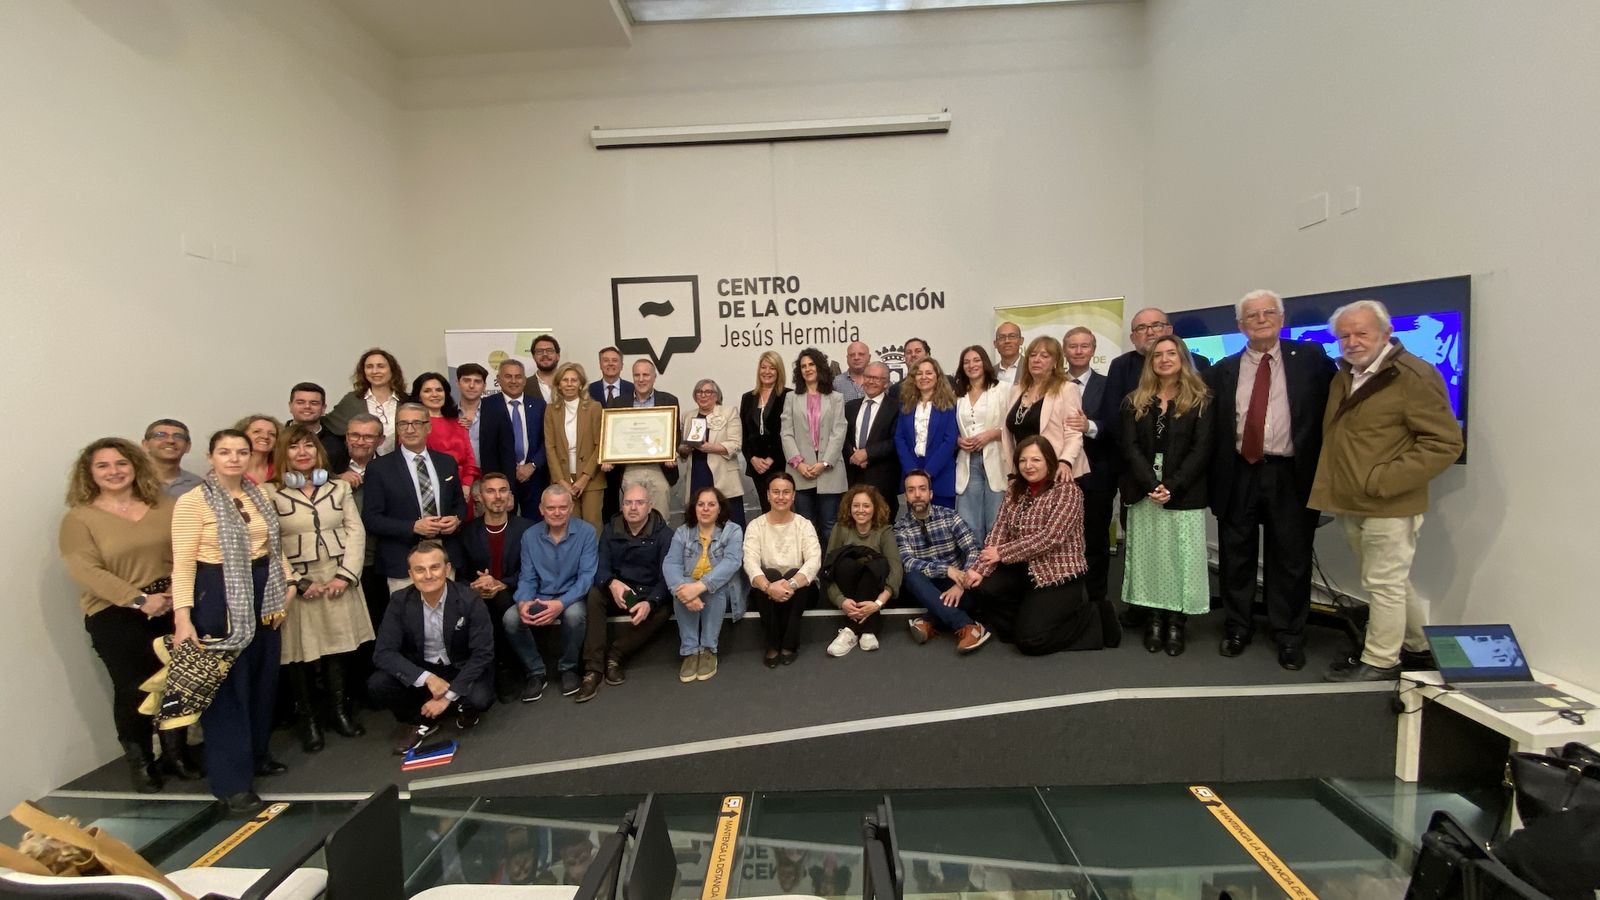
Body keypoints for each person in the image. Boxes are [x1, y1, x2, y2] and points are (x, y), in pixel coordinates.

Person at [1314, 299, 1463, 682]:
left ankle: (1381, 662)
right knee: (1386, 579)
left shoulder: (1413, 375)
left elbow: (1445, 443)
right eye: (1344, 335)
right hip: (1352, 500)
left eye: (1361, 333)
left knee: (1383, 582)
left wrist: (1384, 480)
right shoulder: (1345, 374)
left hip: (1389, 503)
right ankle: (1418, 648)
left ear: (1385, 332)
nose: (1352, 341)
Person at [1208, 290, 1335, 670]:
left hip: (1290, 473)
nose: (1261, 319)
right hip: (1238, 471)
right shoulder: (1222, 369)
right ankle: (1237, 626)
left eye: (1268, 313)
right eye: (1252, 315)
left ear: (1281, 318)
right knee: (1236, 554)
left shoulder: (1311, 360)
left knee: (1291, 557)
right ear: (1240, 326)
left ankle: (1289, 634)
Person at [170, 429, 295, 814]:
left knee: (261, 680)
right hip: (218, 595)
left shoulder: (257, 494)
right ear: (210, 457)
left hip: (263, 592)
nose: (234, 458)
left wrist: (288, 581)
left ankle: (257, 756)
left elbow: (272, 547)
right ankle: (231, 783)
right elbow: (183, 564)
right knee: (227, 691)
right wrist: (182, 618)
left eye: (241, 452)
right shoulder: (193, 502)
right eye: (225, 452)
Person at [60, 438, 195, 793]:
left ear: (135, 465)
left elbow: (188, 548)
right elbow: (85, 569)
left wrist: (174, 593)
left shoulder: (164, 505)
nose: (114, 471)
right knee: (134, 689)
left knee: (177, 683)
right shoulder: (80, 518)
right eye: (103, 466)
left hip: (173, 604)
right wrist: (139, 600)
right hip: (117, 614)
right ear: (89, 474)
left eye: (121, 463)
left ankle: (175, 753)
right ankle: (141, 762)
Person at [268, 424, 373, 752]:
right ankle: (309, 721)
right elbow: (269, 543)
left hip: (337, 577)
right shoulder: (268, 493)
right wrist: (295, 581)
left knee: (339, 649)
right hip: (296, 582)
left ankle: (339, 713)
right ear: (284, 453)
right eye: (295, 447)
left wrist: (346, 575)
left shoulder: (338, 488)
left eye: (309, 446)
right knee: (299, 655)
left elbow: (355, 530)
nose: (302, 453)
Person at [1118, 335, 1215, 657]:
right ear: (1150, 362)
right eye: (1157, 355)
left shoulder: (1201, 398)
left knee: (1181, 558)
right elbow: (1129, 447)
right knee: (1151, 559)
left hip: (1183, 490)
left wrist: (1171, 485)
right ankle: (1155, 618)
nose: (1164, 359)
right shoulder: (1136, 400)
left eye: (1171, 353)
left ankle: (1176, 622)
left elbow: (1202, 450)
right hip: (1145, 489)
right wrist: (1150, 484)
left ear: (1182, 358)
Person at [965, 436, 1103, 655]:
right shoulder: (1015, 490)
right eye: (1023, 460)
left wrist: (1001, 552)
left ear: (1049, 461)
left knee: (1031, 641)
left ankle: (1093, 620)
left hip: (1058, 573)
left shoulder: (1068, 492)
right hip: (1023, 567)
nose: (1028, 466)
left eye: (1036, 460)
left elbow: (1051, 537)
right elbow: (999, 529)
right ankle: (1026, 624)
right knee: (981, 588)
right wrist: (979, 569)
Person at [369, 541, 495, 754]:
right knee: (378, 684)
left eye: (434, 567)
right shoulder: (399, 601)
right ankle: (419, 720)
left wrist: (447, 697)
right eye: (420, 569)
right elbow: (383, 653)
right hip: (423, 669)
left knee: (480, 698)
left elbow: (483, 653)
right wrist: (427, 678)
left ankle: (457, 705)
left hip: (460, 666)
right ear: (411, 573)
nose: (428, 575)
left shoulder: (470, 599)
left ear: (447, 569)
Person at [362, 403, 467, 595]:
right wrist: (412, 527)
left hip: (443, 554)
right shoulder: (379, 468)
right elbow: (371, 519)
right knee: (408, 620)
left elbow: (459, 503)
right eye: (403, 424)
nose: (409, 429)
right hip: (402, 561)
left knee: (447, 617)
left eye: (416, 423)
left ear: (428, 427)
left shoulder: (446, 462)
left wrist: (456, 519)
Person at [579, 483, 673, 701]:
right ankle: (593, 668)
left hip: (646, 593)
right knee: (594, 595)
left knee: (664, 607)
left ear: (649, 506)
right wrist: (611, 583)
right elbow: (600, 567)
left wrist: (651, 602)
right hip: (619, 591)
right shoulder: (610, 529)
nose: (633, 508)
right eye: (628, 503)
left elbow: (666, 576)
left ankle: (615, 655)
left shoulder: (664, 534)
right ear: (621, 506)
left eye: (639, 503)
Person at [508, 485, 598, 699]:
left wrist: (561, 603)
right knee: (511, 619)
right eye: (551, 508)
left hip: (572, 595)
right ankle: (536, 672)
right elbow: (527, 577)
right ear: (541, 509)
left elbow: (587, 578)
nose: (557, 513)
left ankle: (569, 668)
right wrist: (523, 602)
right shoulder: (530, 536)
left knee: (574, 615)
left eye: (562, 507)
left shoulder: (587, 532)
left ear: (571, 508)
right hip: (541, 595)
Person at [1063, 326, 1121, 647]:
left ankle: (1096, 599)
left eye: (1085, 346)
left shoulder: (1107, 384)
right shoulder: (1055, 385)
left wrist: (1091, 426)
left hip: (1097, 473)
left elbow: (1115, 424)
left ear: (1093, 349)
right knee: (1064, 538)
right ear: (1065, 350)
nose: (1079, 351)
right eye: (1073, 346)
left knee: (1095, 537)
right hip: (1061, 476)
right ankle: (1069, 597)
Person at [459, 472, 535, 702]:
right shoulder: (467, 532)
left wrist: (501, 583)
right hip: (476, 593)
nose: (497, 496)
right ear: (480, 497)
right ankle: (489, 670)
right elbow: (460, 573)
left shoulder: (527, 529)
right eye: (491, 491)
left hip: (514, 591)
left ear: (510, 496)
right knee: (481, 603)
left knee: (500, 600)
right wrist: (475, 585)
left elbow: (532, 572)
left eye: (503, 490)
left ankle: (504, 669)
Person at [896, 470, 988, 653]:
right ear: (906, 496)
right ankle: (968, 625)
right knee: (912, 577)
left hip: (959, 582)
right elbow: (908, 562)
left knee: (975, 590)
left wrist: (961, 584)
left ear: (930, 493)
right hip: (927, 585)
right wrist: (945, 570)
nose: (917, 495)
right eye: (911, 490)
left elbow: (973, 549)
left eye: (922, 489)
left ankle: (929, 620)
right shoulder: (901, 527)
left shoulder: (949, 516)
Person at [664, 486, 746, 683]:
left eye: (711, 504)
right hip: (689, 584)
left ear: (720, 509)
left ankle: (709, 648)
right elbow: (671, 563)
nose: (705, 509)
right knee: (682, 589)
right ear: (694, 508)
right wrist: (680, 590)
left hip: (723, 588)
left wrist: (699, 587)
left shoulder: (732, 530)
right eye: (701, 504)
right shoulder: (682, 532)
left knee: (712, 589)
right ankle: (690, 651)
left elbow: (732, 563)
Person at [743, 473, 822, 668]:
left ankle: (788, 644)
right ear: (768, 495)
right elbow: (750, 562)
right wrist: (769, 587)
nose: (781, 497)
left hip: (801, 589)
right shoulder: (755, 526)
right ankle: (773, 643)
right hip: (766, 590)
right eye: (776, 492)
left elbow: (813, 561)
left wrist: (791, 584)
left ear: (794, 495)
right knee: (769, 574)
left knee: (794, 572)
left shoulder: (804, 525)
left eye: (786, 492)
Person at [822, 485, 902, 657]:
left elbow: (896, 568)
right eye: (856, 505)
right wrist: (840, 600)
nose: (860, 510)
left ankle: (852, 630)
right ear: (849, 508)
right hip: (846, 593)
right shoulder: (840, 528)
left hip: (875, 591)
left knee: (875, 564)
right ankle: (867, 629)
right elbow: (828, 570)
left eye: (866, 506)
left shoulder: (885, 531)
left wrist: (878, 604)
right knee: (843, 562)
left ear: (875, 508)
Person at [780, 347, 846, 546]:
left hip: (829, 471)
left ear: (820, 367)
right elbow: (786, 432)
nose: (807, 369)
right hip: (801, 472)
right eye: (803, 366)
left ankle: (830, 573)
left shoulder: (836, 398)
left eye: (811, 364)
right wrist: (798, 464)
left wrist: (824, 463)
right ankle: (809, 575)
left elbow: (839, 431)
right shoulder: (791, 398)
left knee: (829, 526)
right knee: (804, 527)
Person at [1001, 336, 1089, 483]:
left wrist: (1065, 461)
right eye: (1033, 355)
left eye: (1044, 356)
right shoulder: (1016, 390)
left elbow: (1073, 433)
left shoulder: (1067, 389)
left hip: (1056, 472)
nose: (1036, 360)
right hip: (1024, 473)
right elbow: (1009, 435)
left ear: (1055, 362)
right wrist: (1012, 472)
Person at [605, 359, 680, 519]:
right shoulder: (619, 403)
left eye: (646, 375)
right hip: (631, 469)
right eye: (637, 375)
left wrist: (672, 453)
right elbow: (614, 435)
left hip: (659, 468)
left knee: (660, 519)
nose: (641, 379)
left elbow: (675, 434)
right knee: (633, 517)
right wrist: (608, 456)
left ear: (654, 377)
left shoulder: (669, 400)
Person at [1104, 308, 1214, 411]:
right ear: (1133, 338)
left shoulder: (1199, 363)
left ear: (1169, 330)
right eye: (1141, 328)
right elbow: (1113, 414)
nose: (1150, 332)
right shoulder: (1121, 365)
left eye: (1156, 325)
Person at [953, 346, 1008, 546]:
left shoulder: (1003, 389)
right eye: (966, 362)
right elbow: (951, 427)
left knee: (996, 519)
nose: (971, 365)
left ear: (984, 362)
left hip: (996, 459)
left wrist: (992, 434)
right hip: (968, 461)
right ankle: (972, 567)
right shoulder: (957, 393)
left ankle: (994, 571)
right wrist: (958, 440)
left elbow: (1013, 426)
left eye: (976, 360)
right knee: (968, 522)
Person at [479, 358, 547, 518]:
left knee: (535, 525)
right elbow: (486, 446)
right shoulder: (486, 405)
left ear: (524, 380)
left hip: (534, 477)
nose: (514, 381)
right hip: (501, 479)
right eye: (508, 376)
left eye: (518, 376)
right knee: (504, 524)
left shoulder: (539, 405)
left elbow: (548, 440)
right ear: (498, 379)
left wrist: (533, 465)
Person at [545, 362, 606, 529]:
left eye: (574, 380)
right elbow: (550, 447)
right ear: (558, 384)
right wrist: (561, 481)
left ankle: (593, 557)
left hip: (591, 480)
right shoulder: (551, 410)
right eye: (565, 380)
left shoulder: (594, 408)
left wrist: (584, 478)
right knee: (568, 527)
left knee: (592, 527)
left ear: (581, 384)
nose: (569, 384)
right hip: (563, 479)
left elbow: (600, 445)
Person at [895, 357, 960, 511]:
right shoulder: (906, 405)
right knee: (916, 527)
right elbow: (900, 438)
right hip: (912, 472)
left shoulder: (949, 405)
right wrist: (913, 472)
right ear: (913, 378)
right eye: (919, 374)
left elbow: (949, 440)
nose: (924, 377)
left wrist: (929, 472)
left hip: (940, 474)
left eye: (929, 373)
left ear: (937, 376)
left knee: (942, 527)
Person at [412, 371, 481, 514]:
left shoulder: (458, 422)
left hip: (463, 489)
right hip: (432, 491)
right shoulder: (413, 427)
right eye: (427, 391)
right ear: (419, 396)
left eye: (439, 390)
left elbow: (470, 460)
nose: (435, 394)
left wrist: (467, 485)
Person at [679, 378, 745, 526]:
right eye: (699, 392)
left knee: (730, 524)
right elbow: (682, 450)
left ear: (716, 395)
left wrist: (711, 447)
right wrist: (684, 449)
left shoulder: (729, 412)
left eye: (708, 392)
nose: (703, 395)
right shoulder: (688, 416)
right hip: (697, 473)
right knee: (699, 524)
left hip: (723, 478)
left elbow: (736, 445)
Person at [843, 362, 901, 519]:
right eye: (868, 377)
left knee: (881, 526)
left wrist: (867, 454)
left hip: (883, 479)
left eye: (876, 378)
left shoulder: (897, 407)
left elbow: (896, 440)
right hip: (853, 477)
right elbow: (843, 437)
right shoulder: (850, 407)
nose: (871, 381)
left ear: (886, 383)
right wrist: (854, 455)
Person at [326, 347, 408, 456]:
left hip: (398, 465)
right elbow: (328, 425)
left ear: (392, 370)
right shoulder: (352, 400)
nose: (375, 371)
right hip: (361, 468)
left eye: (381, 366)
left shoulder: (406, 401)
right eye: (369, 367)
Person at [740, 351, 790, 514]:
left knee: (782, 508)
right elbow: (744, 435)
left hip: (780, 464)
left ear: (779, 371)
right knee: (766, 509)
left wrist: (771, 459)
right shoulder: (747, 398)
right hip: (757, 466)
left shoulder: (788, 396)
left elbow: (788, 432)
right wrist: (752, 458)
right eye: (763, 367)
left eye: (772, 368)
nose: (767, 372)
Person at [587, 347, 633, 522]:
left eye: (615, 360)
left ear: (621, 364)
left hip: (628, 454)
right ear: (600, 364)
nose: (610, 364)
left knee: (629, 500)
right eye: (606, 360)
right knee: (605, 504)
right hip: (597, 457)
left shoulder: (633, 388)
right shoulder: (588, 390)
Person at [287, 382, 350, 474]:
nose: (307, 406)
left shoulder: (339, 443)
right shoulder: (277, 438)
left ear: (323, 408)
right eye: (300, 402)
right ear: (290, 406)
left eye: (314, 403)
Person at [142, 420, 204, 497]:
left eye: (178, 437)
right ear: (145, 445)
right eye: (161, 435)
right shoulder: (132, 481)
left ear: (188, 446)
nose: (170, 441)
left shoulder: (199, 486)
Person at [454, 363, 489, 479]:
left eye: (477, 381)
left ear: (484, 386)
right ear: (458, 383)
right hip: (458, 477)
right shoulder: (449, 415)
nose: (472, 385)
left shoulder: (496, 414)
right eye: (466, 380)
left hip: (488, 477)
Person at [236, 414, 281, 486]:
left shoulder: (281, 472)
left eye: (272, 434)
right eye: (257, 431)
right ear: (242, 436)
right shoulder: (231, 469)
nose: (265, 436)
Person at [530, 334, 562, 402]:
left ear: (558, 356)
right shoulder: (524, 386)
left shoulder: (571, 383)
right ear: (533, 357)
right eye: (539, 351)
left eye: (549, 350)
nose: (545, 354)